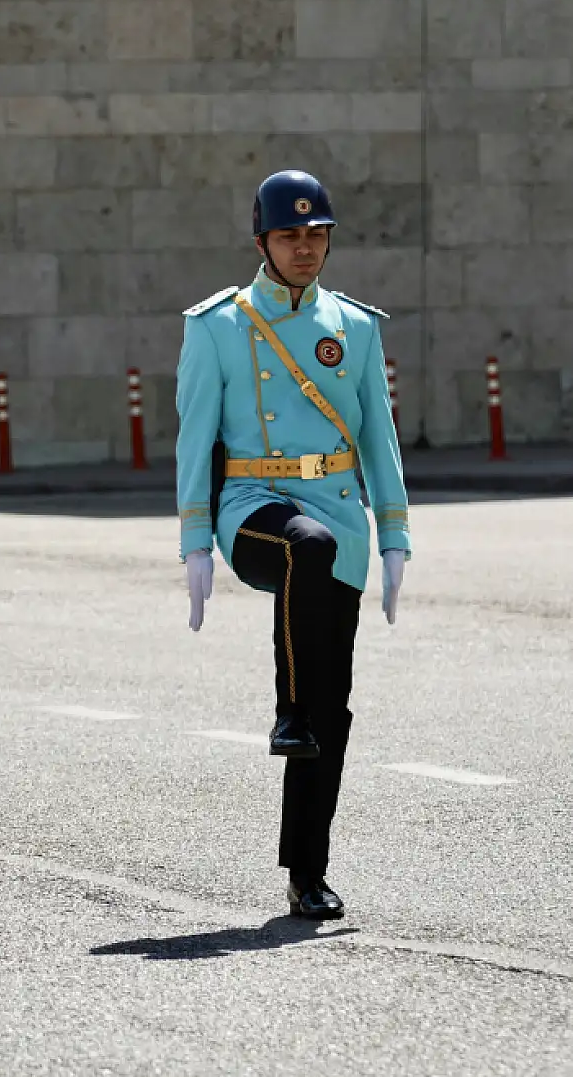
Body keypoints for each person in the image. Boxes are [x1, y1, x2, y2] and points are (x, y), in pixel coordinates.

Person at [176, 170, 410, 921]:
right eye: (289, 236)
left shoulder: (358, 326)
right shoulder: (219, 325)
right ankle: (286, 708)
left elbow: (379, 436)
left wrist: (396, 535)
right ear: (261, 242)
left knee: (332, 707)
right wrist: (193, 541)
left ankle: (307, 872)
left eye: (317, 235)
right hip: (252, 508)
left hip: (340, 515)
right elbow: (194, 436)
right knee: (301, 549)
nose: (305, 248)